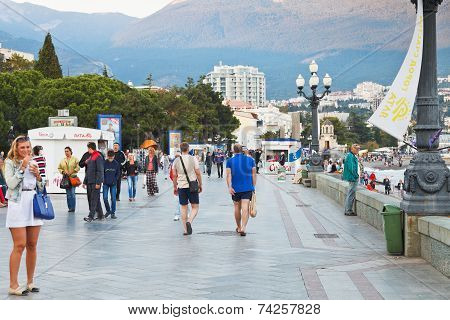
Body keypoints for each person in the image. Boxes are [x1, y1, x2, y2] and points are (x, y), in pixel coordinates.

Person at [4, 136, 45, 296]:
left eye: (28, 147)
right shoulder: (10, 163)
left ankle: (30, 282)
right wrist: (22, 167)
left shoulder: (35, 162)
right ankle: (13, 285)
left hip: (33, 203)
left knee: (32, 245)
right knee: (19, 245)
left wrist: (39, 177)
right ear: (16, 148)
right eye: (22, 148)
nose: (26, 150)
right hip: (18, 204)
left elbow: (41, 187)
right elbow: (11, 184)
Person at [172, 142, 203, 235]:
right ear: (188, 149)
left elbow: (174, 175)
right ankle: (189, 221)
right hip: (192, 186)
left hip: (181, 186)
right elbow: (197, 172)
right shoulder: (193, 159)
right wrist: (200, 184)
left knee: (183, 207)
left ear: (181, 149)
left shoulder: (176, 161)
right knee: (195, 207)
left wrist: (174, 186)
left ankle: (185, 230)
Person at [226, 144, 256, 236]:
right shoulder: (251, 160)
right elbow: (254, 174)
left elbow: (228, 175)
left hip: (235, 188)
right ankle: (243, 227)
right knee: (245, 207)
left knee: (236, 208)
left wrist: (229, 187)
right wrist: (253, 187)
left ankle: (238, 227)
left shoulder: (230, 161)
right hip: (247, 187)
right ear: (242, 150)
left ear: (233, 151)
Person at [83, 142, 104, 223]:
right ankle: (101, 215)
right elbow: (88, 171)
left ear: (90, 148)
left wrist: (98, 183)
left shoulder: (98, 157)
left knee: (93, 200)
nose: (87, 150)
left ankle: (91, 216)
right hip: (89, 182)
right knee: (96, 199)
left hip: (95, 182)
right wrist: (85, 181)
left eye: (88, 148)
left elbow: (100, 171)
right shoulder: (91, 157)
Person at [58, 147, 80, 213]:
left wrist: (73, 171)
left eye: (67, 151)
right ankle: (70, 208)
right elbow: (59, 168)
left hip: (73, 178)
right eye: (65, 151)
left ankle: (73, 208)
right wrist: (63, 172)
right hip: (66, 179)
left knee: (72, 193)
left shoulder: (75, 159)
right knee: (68, 194)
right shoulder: (62, 160)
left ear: (70, 151)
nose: (66, 152)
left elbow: (78, 167)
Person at [342, 144, 360, 216]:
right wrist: (356, 175)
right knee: (351, 193)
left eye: (358, 149)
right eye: (357, 149)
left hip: (352, 177)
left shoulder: (350, 155)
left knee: (350, 193)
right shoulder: (350, 156)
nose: (358, 150)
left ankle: (348, 209)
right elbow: (351, 167)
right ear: (352, 149)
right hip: (352, 177)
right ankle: (348, 210)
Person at [103, 150, 121, 219]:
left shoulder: (116, 163)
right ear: (107, 156)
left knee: (113, 199)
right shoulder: (104, 163)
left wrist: (115, 180)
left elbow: (118, 173)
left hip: (113, 184)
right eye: (109, 158)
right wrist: (103, 180)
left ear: (114, 156)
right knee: (105, 198)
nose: (110, 159)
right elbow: (102, 172)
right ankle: (108, 211)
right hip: (105, 183)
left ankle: (113, 212)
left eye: (111, 158)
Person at [169, 152, 181, 221]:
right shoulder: (173, 165)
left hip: (183, 183)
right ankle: (177, 214)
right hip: (178, 183)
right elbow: (172, 175)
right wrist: (175, 184)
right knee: (178, 200)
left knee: (184, 199)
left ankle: (184, 213)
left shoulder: (183, 164)